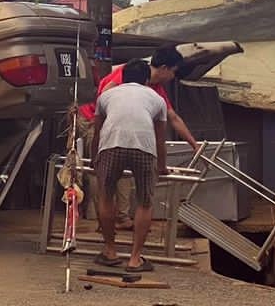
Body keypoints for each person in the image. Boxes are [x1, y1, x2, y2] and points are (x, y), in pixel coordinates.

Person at [77, 46, 199, 228]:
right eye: (173, 72)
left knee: (125, 173)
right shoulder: (131, 72)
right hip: (96, 120)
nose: (173, 77)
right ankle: (102, 220)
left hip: (125, 130)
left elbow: (172, 117)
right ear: (164, 68)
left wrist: (194, 145)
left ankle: (121, 217)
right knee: (101, 172)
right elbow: (105, 97)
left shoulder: (156, 90)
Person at [91, 59, 168, 273]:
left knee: (106, 197)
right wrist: (162, 166)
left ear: (122, 77)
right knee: (145, 201)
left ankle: (110, 251)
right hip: (144, 147)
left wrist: (93, 158)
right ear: (146, 79)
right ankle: (135, 259)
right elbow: (160, 139)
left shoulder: (105, 96)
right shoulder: (157, 98)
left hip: (110, 146)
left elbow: (97, 132)